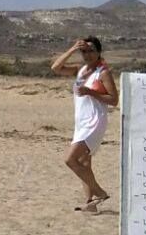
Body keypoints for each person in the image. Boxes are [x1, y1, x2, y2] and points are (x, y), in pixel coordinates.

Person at [50, 36, 118, 213]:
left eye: (91, 51)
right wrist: (72, 49)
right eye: (84, 51)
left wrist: (90, 92)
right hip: (81, 122)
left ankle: (100, 193)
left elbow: (114, 100)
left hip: (94, 121)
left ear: (99, 52)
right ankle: (90, 203)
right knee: (84, 163)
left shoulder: (103, 73)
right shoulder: (80, 70)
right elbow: (56, 68)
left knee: (70, 159)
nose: (87, 55)